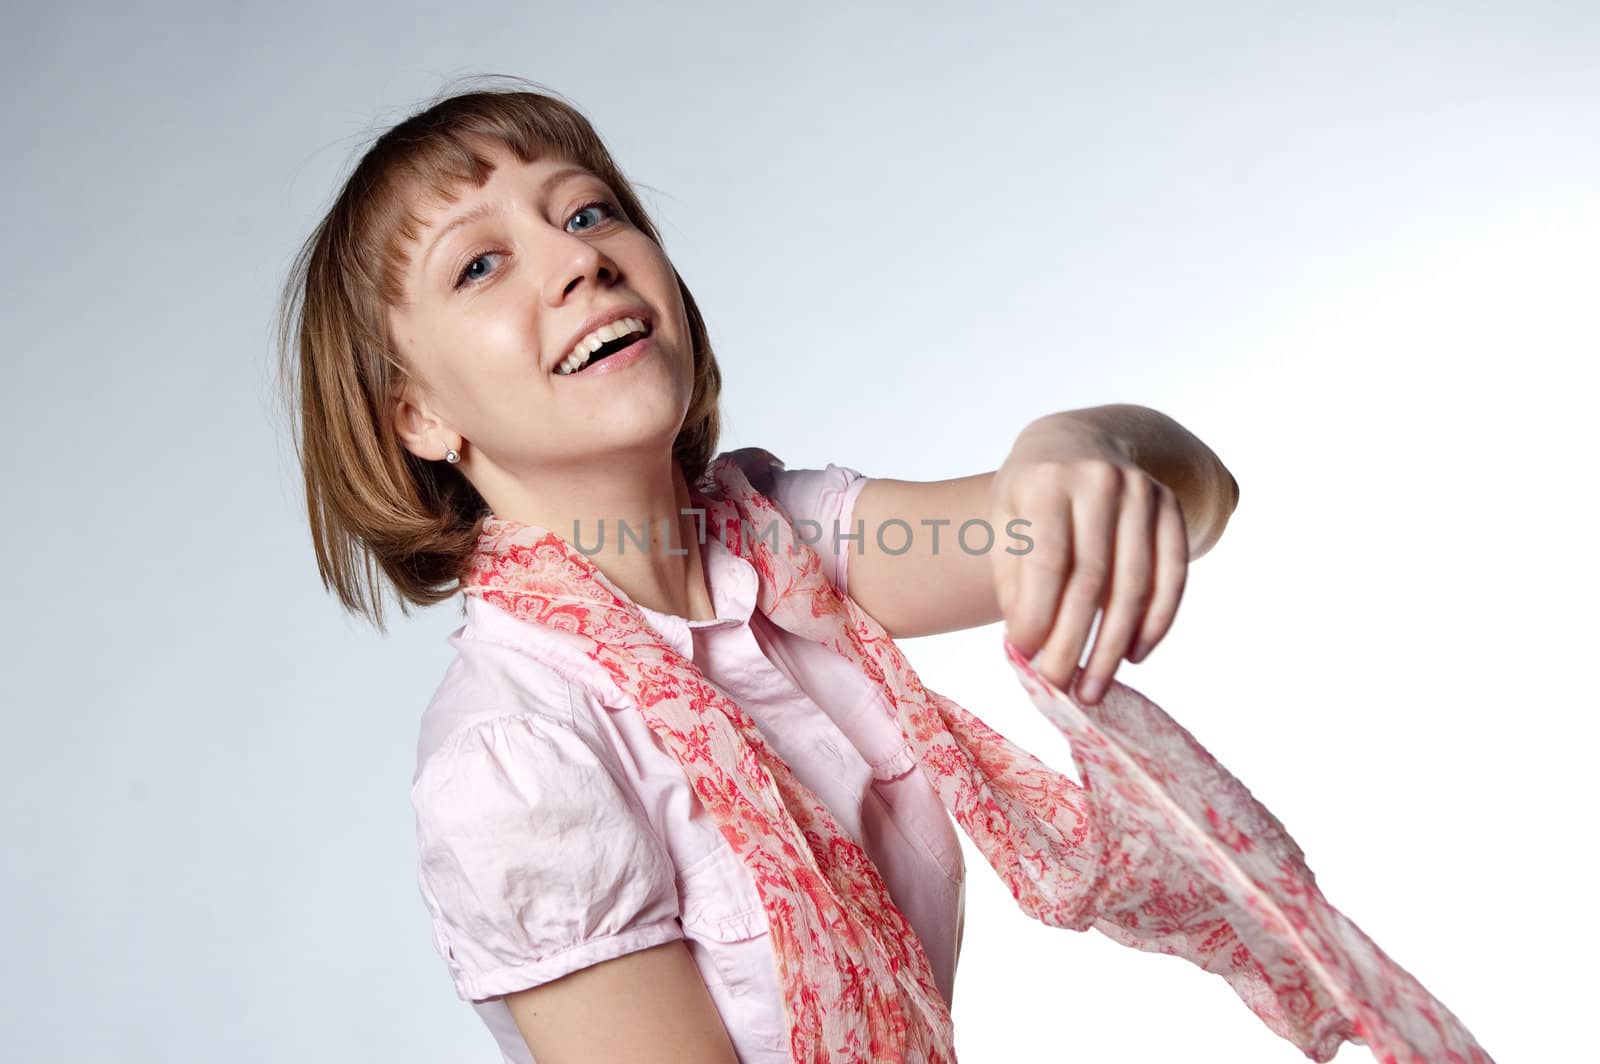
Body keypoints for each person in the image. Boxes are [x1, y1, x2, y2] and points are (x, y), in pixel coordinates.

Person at [275, 76, 1240, 1063]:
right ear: (417, 416)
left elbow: (1187, 495)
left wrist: (1071, 444)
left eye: (589, 210)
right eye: (480, 264)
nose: (578, 259)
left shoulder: (787, 544)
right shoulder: (518, 756)